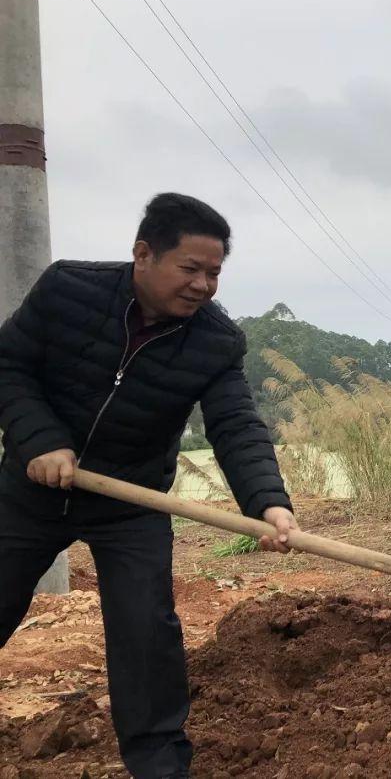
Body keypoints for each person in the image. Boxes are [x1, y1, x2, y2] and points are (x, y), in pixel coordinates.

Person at [0, 193, 299, 777]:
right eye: (190, 268)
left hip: (130, 504)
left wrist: (268, 502)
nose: (203, 285)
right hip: (33, 491)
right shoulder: (68, 290)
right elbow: (9, 363)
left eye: (214, 273)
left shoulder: (215, 341)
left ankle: (160, 764)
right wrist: (39, 441)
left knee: (146, 633)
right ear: (143, 254)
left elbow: (236, 423)